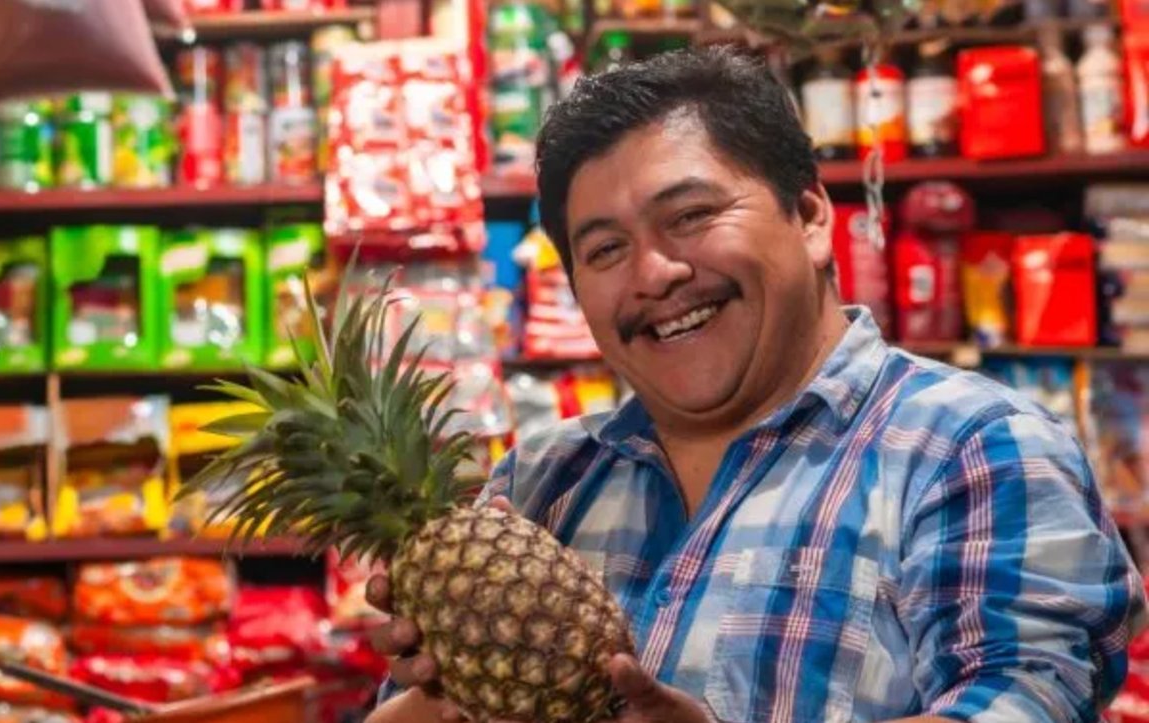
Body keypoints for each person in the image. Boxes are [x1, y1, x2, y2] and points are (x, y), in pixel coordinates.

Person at [366, 47, 1148, 723]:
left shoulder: (975, 448)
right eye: (604, 250)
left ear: (810, 215)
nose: (655, 274)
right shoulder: (540, 484)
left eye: (691, 215)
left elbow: (1024, 703)